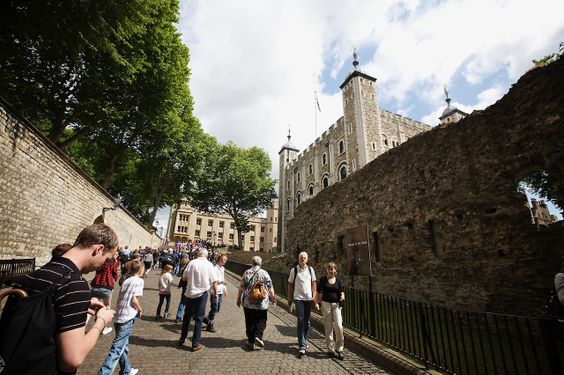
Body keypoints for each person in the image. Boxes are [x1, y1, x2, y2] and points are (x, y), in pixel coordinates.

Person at [8, 224, 118, 374]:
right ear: (98, 249)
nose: (101, 266)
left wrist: (76, 306)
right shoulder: (74, 284)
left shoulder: (35, 274)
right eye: (106, 259)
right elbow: (73, 360)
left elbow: (41, 314)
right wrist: (101, 321)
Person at [98, 259, 144, 375]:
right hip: (127, 316)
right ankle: (104, 372)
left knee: (123, 345)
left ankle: (126, 370)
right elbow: (134, 300)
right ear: (140, 270)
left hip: (119, 315)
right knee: (117, 348)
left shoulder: (126, 280)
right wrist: (139, 308)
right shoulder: (138, 281)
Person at [177, 248, 218, 352]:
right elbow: (213, 281)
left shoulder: (191, 263)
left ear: (198, 254)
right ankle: (195, 343)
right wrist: (216, 294)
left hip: (190, 292)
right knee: (199, 318)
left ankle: (182, 338)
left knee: (187, 316)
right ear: (206, 255)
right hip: (201, 293)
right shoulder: (209, 265)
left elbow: (184, 277)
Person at [237, 256, 276, 351]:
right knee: (261, 320)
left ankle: (251, 341)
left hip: (248, 302)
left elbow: (241, 287)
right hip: (261, 303)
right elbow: (270, 287)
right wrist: (273, 298)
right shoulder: (264, 273)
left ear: (252, 263)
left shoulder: (247, 272)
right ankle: (258, 336)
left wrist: (238, 299)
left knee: (249, 321)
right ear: (260, 263)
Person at [287, 251, 318, 357]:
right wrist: (290, 298)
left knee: (307, 322)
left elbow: (314, 283)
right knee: (300, 320)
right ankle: (302, 346)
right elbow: (290, 285)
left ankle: (303, 339)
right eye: (301, 257)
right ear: (298, 259)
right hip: (298, 299)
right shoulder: (294, 270)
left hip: (308, 299)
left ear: (307, 260)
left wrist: (314, 296)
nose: (303, 259)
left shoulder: (310, 270)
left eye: (304, 258)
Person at [316, 262, 346, 360]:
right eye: (329, 269)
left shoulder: (338, 281)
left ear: (335, 270)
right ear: (327, 270)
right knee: (328, 328)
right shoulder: (323, 280)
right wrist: (317, 303)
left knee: (339, 326)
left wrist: (342, 297)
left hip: (336, 305)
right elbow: (318, 292)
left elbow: (341, 292)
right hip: (326, 304)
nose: (331, 270)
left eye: (332, 269)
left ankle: (339, 349)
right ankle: (330, 349)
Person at [90, 255, 120, 335]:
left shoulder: (100, 263)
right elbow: (115, 275)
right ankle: (102, 327)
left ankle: (82, 326)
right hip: (107, 286)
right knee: (106, 307)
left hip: (96, 285)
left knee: (91, 307)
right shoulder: (113, 264)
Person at [203, 253, 228, 332]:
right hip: (214, 291)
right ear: (219, 259)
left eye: (226, 260)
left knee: (217, 309)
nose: (225, 261)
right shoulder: (214, 268)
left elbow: (222, 279)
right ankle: (210, 325)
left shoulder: (222, 268)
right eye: (224, 259)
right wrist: (221, 282)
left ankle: (206, 319)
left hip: (220, 290)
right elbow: (214, 280)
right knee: (214, 308)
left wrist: (224, 288)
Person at [174, 254, 190, 323]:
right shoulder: (189, 265)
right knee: (189, 303)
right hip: (189, 286)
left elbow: (181, 278)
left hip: (184, 286)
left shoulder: (182, 265)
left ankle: (178, 316)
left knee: (182, 302)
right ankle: (188, 316)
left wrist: (180, 285)